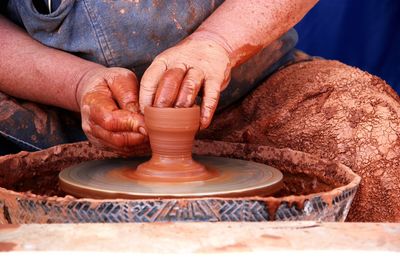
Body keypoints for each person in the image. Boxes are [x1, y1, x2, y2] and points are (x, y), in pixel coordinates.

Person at [0, 0, 399, 222]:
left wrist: (218, 41)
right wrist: (75, 84)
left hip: (246, 84)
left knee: (379, 147)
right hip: (52, 98)